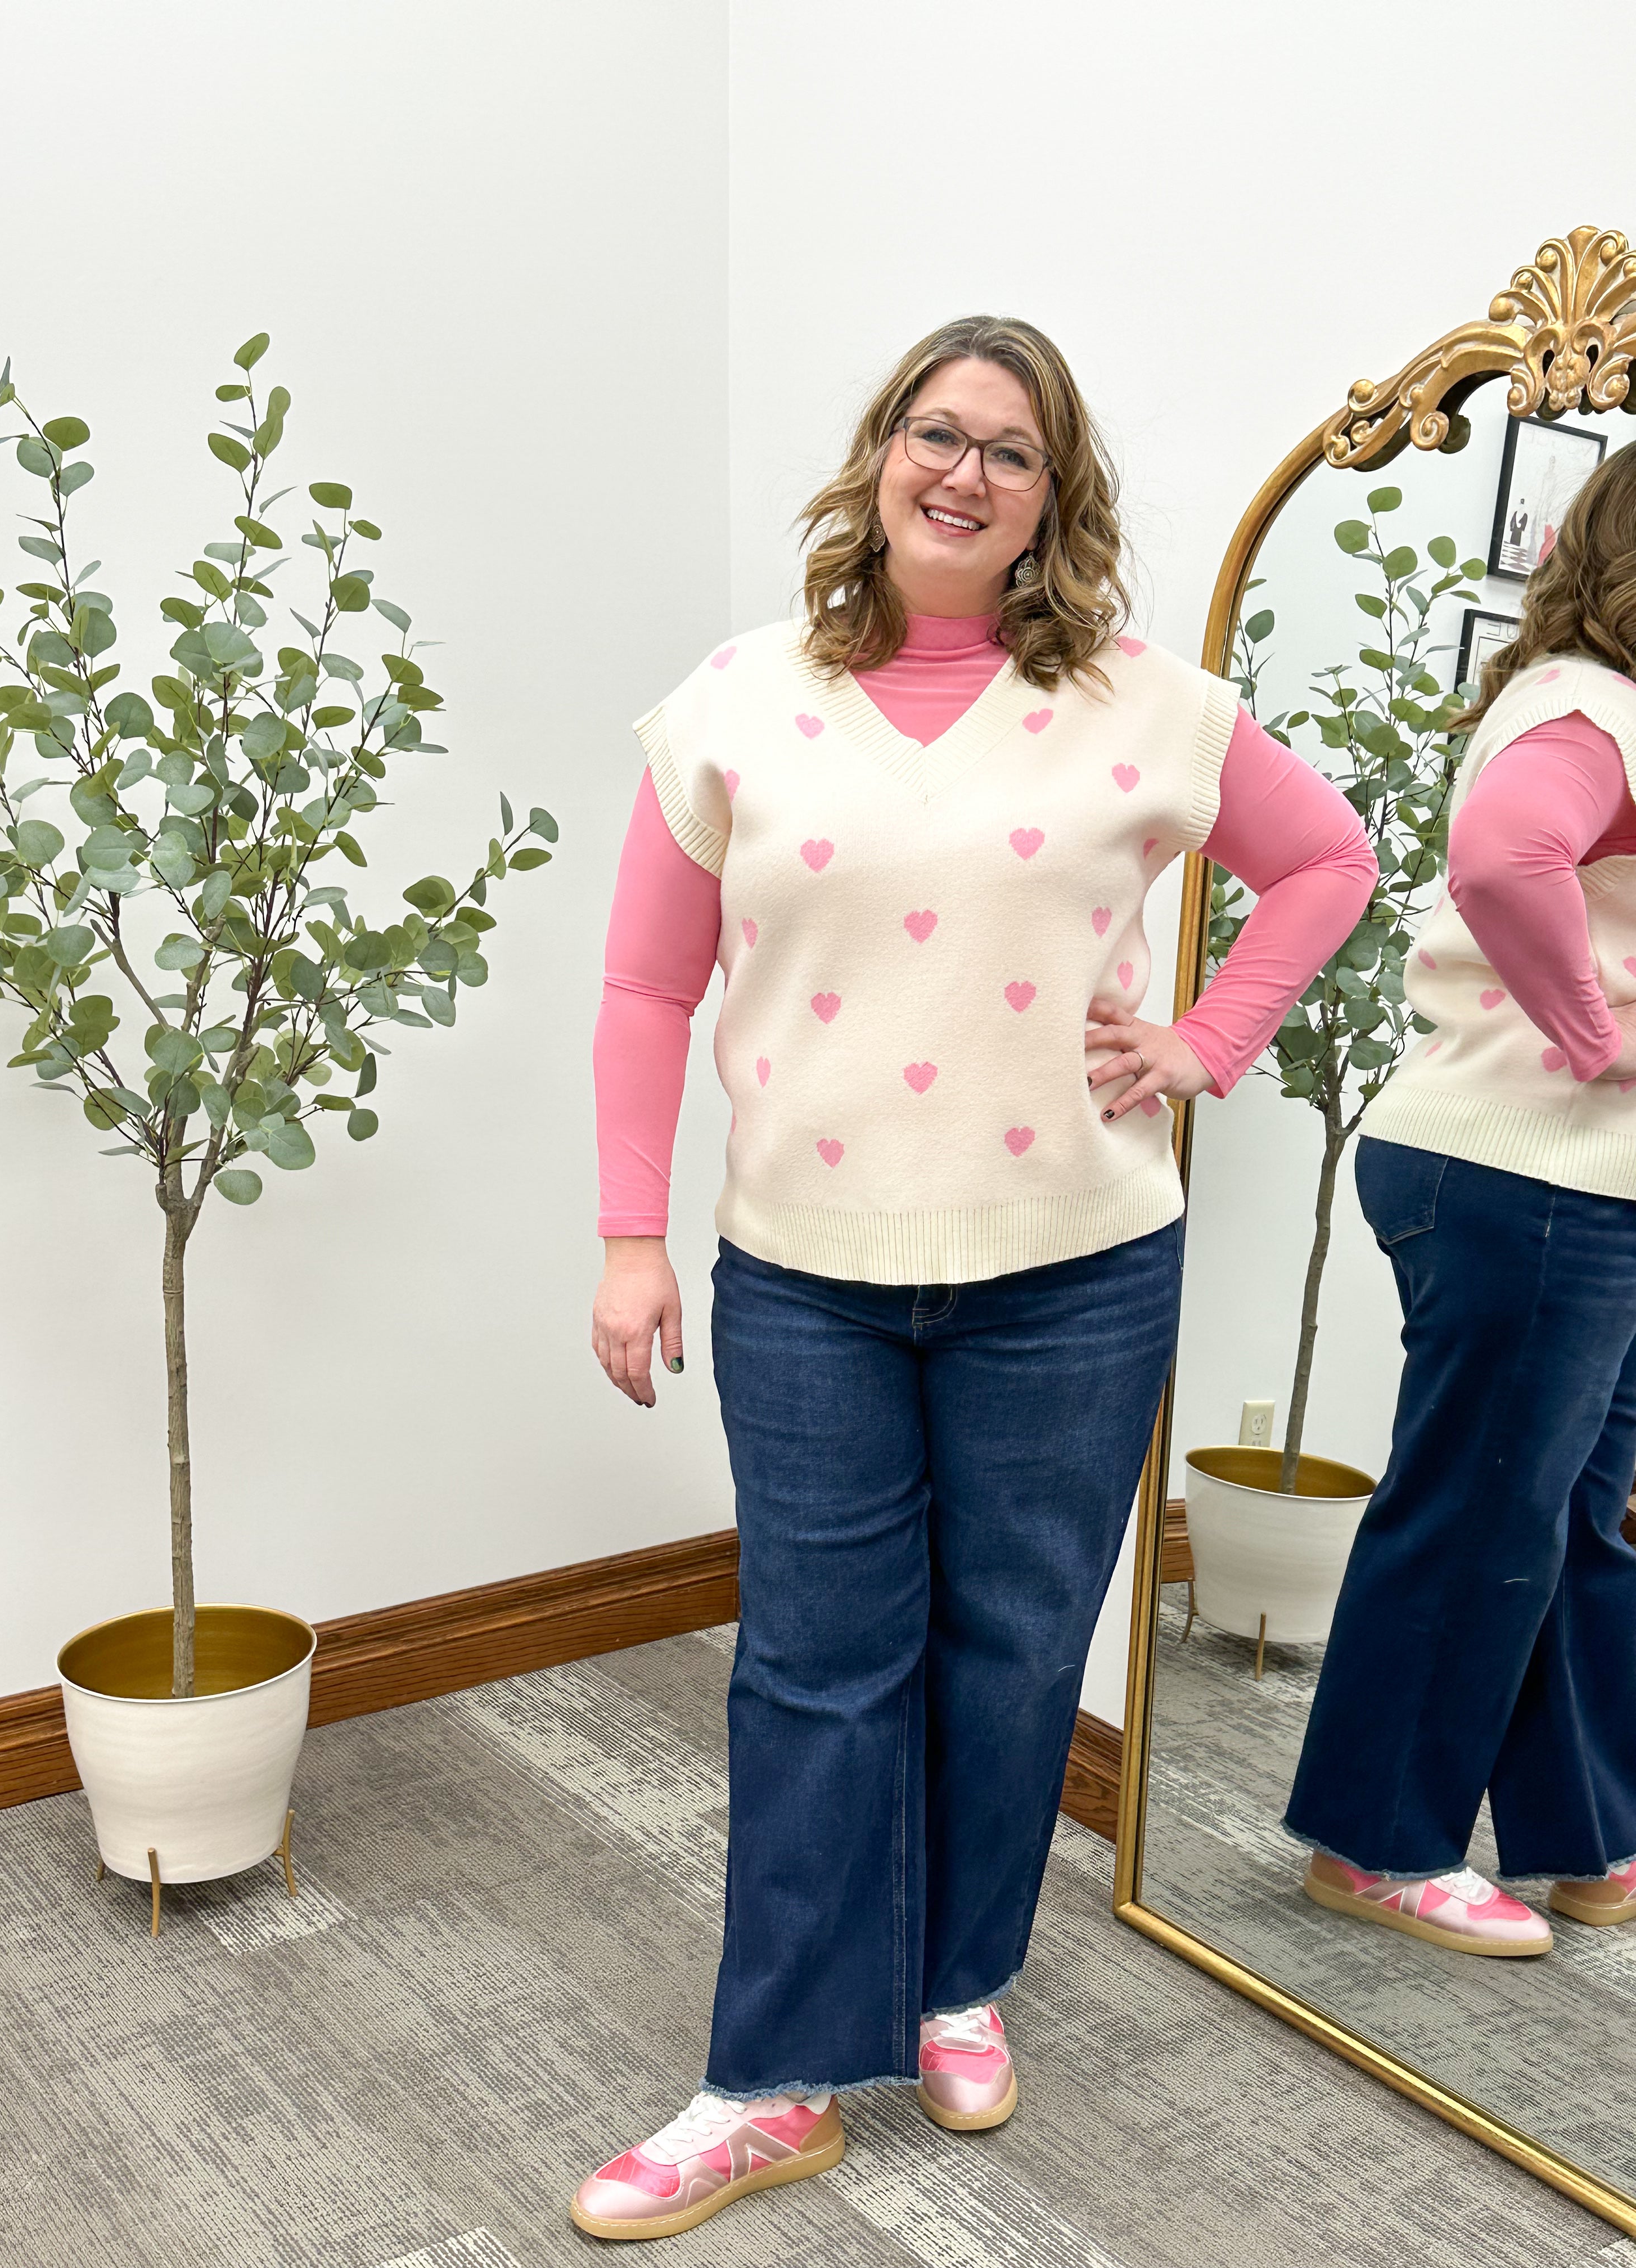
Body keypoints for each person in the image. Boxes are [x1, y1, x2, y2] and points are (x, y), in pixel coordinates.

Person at [575, 314, 1376, 2243]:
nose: (964, 471)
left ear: (1051, 501)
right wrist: (627, 1234)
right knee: (814, 1670)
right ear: (878, 458)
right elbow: (644, 984)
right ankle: (770, 2075)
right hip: (808, 1276)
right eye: (937, 433)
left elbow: (1331, 862)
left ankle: (955, 1982)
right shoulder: (737, 704)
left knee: (1018, 1654)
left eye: (1010, 452)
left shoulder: (1143, 706)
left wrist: (1203, 1044)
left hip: (1078, 1272)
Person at [1285, 439, 1636, 1958]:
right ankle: (1377, 1839)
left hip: (1565, 1178)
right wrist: (1594, 1031)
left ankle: (1588, 1830)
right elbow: (1507, 860)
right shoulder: (1593, 711)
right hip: (1527, 1166)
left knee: (1567, 1517)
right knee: (1490, 1504)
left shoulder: (1587, 702)